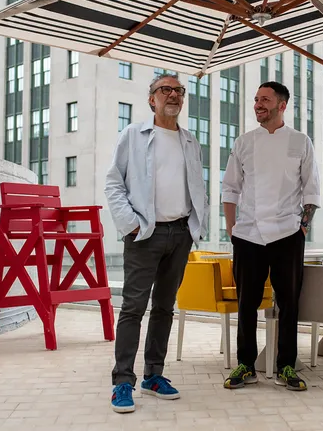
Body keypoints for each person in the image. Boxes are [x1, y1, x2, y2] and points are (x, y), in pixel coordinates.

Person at [105, 73, 209, 413]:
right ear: (152, 99)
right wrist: (131, 225)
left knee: (165, 307)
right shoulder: (133, 135)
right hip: (145, 234)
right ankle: (122, 381)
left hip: (180, 234)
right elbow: (113, 183)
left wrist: (196, 227)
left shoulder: (191, 141)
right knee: (133, 308)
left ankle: (154, 375)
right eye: (166, 90)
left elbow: (197, 187)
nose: (174, 95)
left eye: (179, 91)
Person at [221, 81, 320, 392]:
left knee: (290, 303)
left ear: (282, 105)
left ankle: (286, 365)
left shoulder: (301, 142)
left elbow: (312, 190)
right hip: (248, 234)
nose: (258, 104)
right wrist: (232, 227)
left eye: (264, 99)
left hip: (287, 234)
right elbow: (230, 187)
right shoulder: (244, 142)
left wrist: (302, 226)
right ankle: (246, 365)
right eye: (256, 99)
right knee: (246, 303)